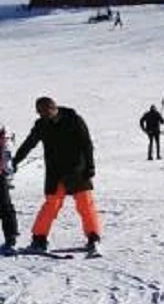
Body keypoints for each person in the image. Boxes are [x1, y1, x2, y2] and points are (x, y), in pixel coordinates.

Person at [12, 97, 102, 255]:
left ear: (54, 108)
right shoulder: (41, 124)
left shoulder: (74, 120)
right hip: (55, 172)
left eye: (45, 112)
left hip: (77, 170)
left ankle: (93, 238)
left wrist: (90, 166)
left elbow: (86, 143)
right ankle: (39, 239)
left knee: (85, 204)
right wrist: (15, 161)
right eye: (40, 113)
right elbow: (29, 143)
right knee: (51, 205)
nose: (43, 116)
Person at [0, 124, 19, 255]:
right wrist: (9, 172)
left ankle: (11, 239)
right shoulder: (5, 138)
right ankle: (11, 239)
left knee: (6, 208)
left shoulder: (5, 138)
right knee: (6, 208)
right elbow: (8, 161)